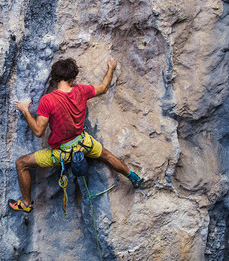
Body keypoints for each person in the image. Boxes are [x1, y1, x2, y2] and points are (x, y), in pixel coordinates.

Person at [9, 56, 143, 213]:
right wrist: (111, 67)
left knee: (21, 163)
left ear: (55, 77)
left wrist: (25, 110)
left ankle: (26, 203)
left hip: (62, 153)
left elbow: (39, 131)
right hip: (84, 142)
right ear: (73, 78)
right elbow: (103, 87)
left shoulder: (48, 100)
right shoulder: (81, 90)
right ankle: (134, 177)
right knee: (107, 156)